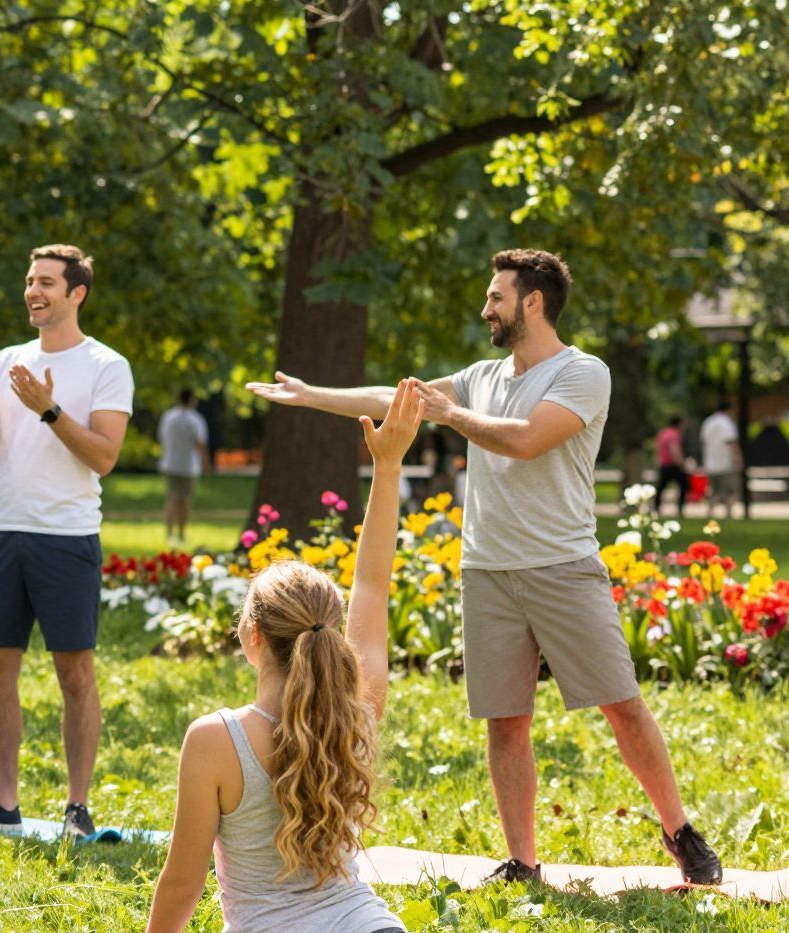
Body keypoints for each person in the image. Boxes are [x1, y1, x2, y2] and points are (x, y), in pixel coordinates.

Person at [84, 382, 721, 933]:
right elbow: (374, 585)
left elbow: (182, 880)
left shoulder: (216, 738)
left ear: (251, 637)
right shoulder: (355, 707)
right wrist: (387, 468)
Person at [245, 249, 720, 885]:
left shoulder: (583, 373)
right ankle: (523, 863)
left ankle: (679, 831)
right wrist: (312, 397)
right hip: (489, 572)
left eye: (496, 297)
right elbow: (399, 397)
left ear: (532, 302)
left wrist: (449, 414)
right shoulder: (482, 375)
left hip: (562, 566)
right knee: (506, 720)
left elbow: (525, 439)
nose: (485, 308)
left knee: (622, 705)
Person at [0, 243, 132, 839]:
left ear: (76, 293)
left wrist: (49, 409)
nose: (34, 291)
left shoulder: (107, 366)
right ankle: (4, 803)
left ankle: (77, 806)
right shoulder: (6, 359)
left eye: (47, 282)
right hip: (2, 531)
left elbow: (104, 457)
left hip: (67, 537)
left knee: (74, 674)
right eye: (30, 280)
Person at [157, 388, 210, 546]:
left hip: (170, 463)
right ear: (192, 399)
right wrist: (207, 464)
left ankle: (169, 533)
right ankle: (181, 533)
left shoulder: (168, 416)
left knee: (172, 498)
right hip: (188, 466)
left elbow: (162, 438)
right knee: (185, 501)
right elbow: (201, 444)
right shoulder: (195, 419)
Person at [697, 405, 742, 520]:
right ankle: (728, 514)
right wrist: (739, 459)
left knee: (713, 491)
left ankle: (710, 513)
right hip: (725, 463)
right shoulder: (727, 423)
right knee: (730, 490)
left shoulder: (708, 422)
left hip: (710, 464)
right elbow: (732, 442)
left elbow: (703, 443)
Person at [654, 414, 689, 519]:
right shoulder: (675, 434)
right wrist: (682, 463)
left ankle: (656, 508)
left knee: (661, 487)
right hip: (673, 465)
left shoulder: (663, 433)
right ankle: (680, 508)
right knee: (684, 485)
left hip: (663, 464)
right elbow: (674, 450)